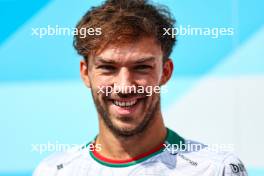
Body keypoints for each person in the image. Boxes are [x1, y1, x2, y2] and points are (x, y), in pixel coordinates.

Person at [33, 0, 248, 175]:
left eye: (142, 67)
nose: (125, 86)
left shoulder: (216, 169)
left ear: (165, 72)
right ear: (86, 73)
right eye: (108, 68)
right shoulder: (53, 171)